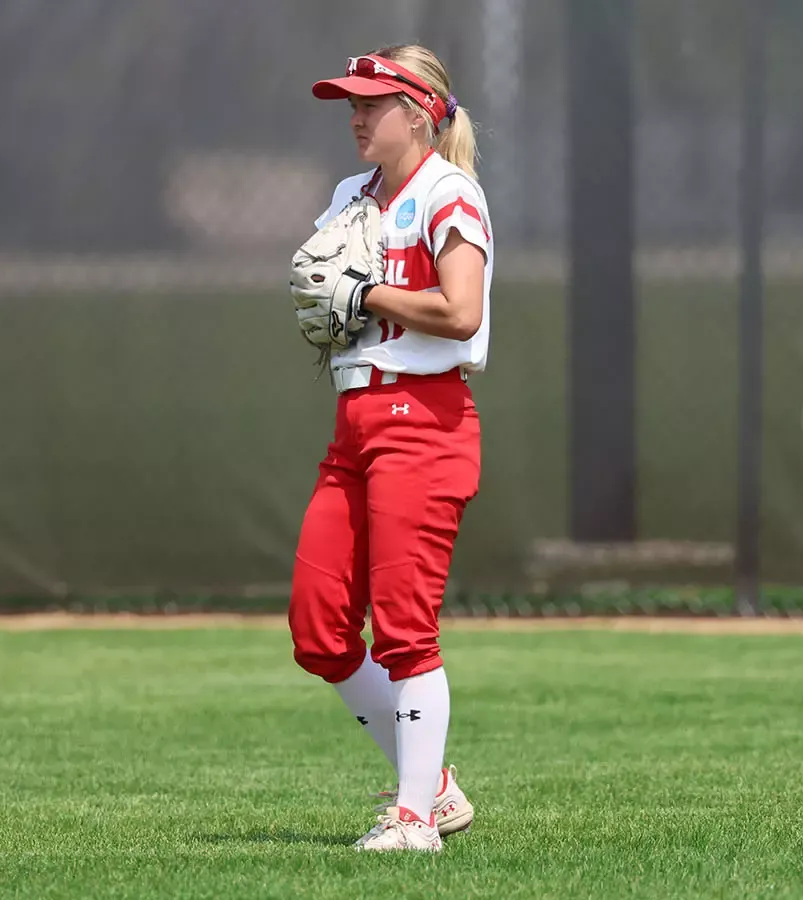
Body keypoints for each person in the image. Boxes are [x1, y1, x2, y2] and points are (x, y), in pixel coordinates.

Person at [286, 45, 494, 853]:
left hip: (425, 423)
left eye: (372, 103)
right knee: (319, 628)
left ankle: (414, 820)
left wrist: (367, 293)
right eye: (352, 104)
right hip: (355, 423)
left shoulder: (449, 192)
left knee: (405, 627)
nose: (357, 116)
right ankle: (431, 783)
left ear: (419, 113)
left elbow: (462, 311)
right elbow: (325, 292)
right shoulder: (351, 195)